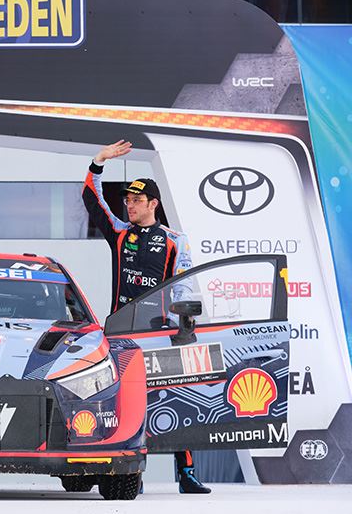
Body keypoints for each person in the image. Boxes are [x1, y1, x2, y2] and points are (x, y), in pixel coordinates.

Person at [82, 140, 211, 495]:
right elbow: (93, 202)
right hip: (124, 334)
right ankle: (130, 474)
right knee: (126, 403)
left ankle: (186, 473)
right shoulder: (121, 234)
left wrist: (186, 325)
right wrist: (98, 163)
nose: (130, 204)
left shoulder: (174, 240)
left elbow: (184, 286)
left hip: (160, 333)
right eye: (128, 200)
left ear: (154, 204)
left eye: (137, 200)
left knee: (177, 398)